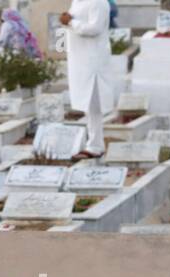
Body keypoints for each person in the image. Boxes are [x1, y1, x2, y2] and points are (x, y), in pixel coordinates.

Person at [59, 0, 115, 159]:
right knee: (87, 102)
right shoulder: (78, 1)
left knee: (94, 102)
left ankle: (95, 146)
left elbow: (95, 28)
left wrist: (71, 21)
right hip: (79, 59)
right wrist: (67, 20)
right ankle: (93, 143)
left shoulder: (98, 2)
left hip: (93, 59)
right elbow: (72, 23)